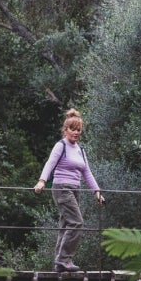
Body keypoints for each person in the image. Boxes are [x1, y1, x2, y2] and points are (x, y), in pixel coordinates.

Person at [34, 108, 105, 272]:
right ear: (65, 130)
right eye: (72, 129)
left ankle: (59, 262)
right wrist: (42, 181)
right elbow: (50, 164)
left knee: (66, 224)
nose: (76, 133)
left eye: (79, 130)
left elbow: (87, 172)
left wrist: (97, 192)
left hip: (75, 189)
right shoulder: (61, 146)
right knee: (76, 222)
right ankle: (64, 259)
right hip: (62, 188)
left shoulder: (81, 150)